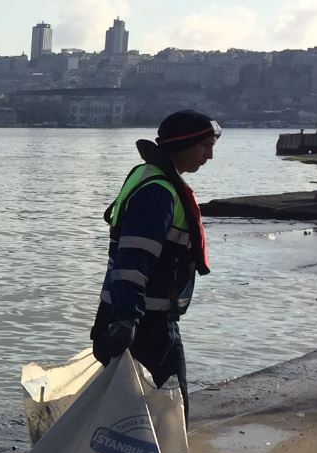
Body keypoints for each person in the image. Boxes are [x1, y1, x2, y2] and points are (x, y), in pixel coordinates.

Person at [91, 110, 220, 423]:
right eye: (205, 145)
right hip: (145, 325)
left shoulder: (147, 177)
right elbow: (134, 258)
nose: (210, 155)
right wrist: (127, 320)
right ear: (183, 144)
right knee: (169, 416)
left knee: (129, 416)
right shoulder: (159, 193)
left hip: (127, 316)